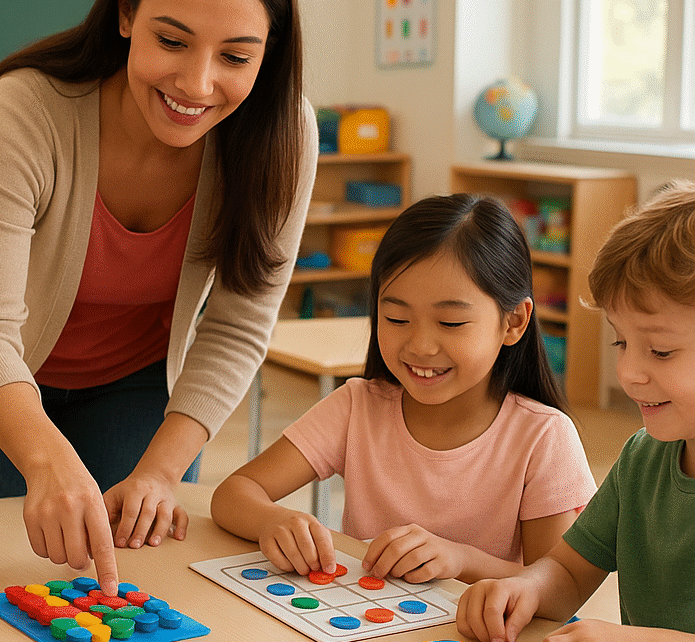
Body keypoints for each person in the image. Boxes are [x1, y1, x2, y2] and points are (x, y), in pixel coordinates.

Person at [0, 0, 315, 596]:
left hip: (134, 377)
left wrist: (161, 473)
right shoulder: (25, 108)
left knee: (136, 575)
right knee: (4, 577)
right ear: (125, 12)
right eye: (171, 41)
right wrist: (46, 459)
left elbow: (235, 329)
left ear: (269, 52)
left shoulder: (283, 133)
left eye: (235, 57)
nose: (197, 84)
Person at [211, 194, 597, 585]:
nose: (421, 346)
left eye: (450, 323)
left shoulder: (543, 437)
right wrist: (274, 520)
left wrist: (461, 560)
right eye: (396, 318)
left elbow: (557, 584)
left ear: (513, 322)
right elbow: (234, 493)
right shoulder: (356, 407)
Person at [457, 180, 695, 642]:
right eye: (621, 342)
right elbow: (568, 572)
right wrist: (524, 588)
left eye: (660, 351)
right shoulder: (642, 459)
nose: (628, 373)